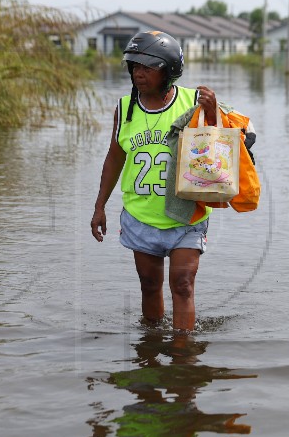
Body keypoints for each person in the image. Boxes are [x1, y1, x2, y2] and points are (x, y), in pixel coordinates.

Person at [90, 31, 218, 332]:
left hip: (186, 214)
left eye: (148, 67)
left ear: (169, 69)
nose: (138, 72)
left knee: (183, 284)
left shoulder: (194, 101)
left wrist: (212, 114)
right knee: (149, 285)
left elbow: (221, 144)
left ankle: (182, 357)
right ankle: (150, 348)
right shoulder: (125, 109)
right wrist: (99, 207)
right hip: (141, 215)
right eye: (134, 66)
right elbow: (114, 158)